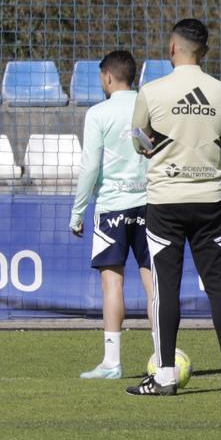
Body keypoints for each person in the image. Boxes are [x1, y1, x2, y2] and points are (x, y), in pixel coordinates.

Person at [127, 18, 221, 397]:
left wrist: (156, 146)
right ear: (205, 51)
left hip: (166, 202)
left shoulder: (152, 90)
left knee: (167, 289)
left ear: (172, 48)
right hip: (209, 200)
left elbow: (137, 140)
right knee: (219, 288)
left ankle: (163, 377)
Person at [69, 50, 156, 380]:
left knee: (112, 284)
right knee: (154, 283)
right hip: (150, 204)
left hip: (112, 207)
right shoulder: (148, 107)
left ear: (107, 78)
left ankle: (112, 362)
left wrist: (77, 212)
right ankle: (163, 357)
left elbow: (90, 166)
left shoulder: (98, 113)